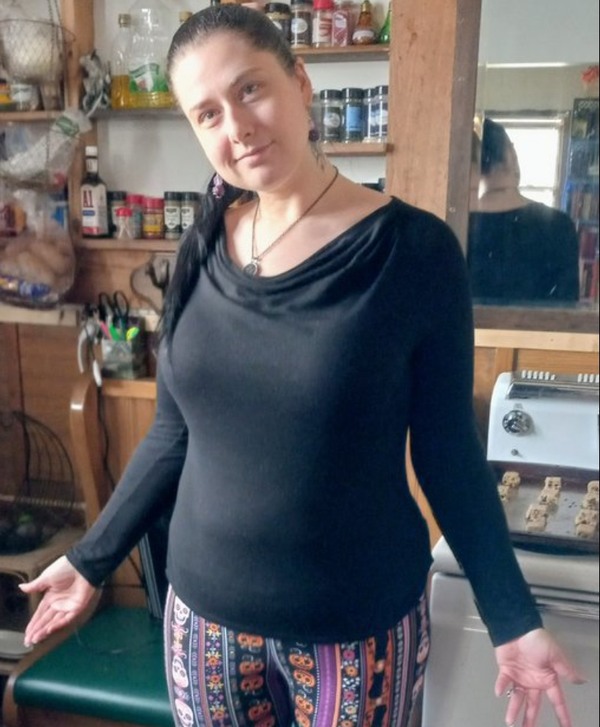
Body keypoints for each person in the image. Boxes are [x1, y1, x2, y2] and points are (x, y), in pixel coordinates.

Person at [20, 6, 584, 727]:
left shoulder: (413, 252)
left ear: (300, 81)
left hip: (357, 628)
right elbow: (172, 432)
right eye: (207, 113)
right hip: (203, 623)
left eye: (250, 89)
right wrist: (91, 559)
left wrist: (511, 616)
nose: (237, 126)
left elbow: (446, 451)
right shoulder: (201, 245)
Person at [468, 117, 580, 303]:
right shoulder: (559, 225)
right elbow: (567, 306)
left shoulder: (454, 225)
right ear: (510, 156)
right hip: (541, 324)